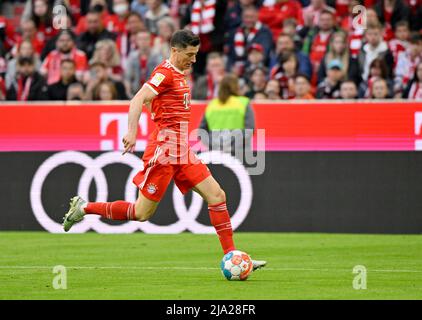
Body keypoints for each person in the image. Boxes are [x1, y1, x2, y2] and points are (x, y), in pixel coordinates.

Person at [62, 29, 267, 271]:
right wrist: (132, 131)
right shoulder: (164, 73)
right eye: (189, 54)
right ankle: (85, 208)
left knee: (217, 196)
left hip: (181, 148)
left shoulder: (181, 74)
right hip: (164, 149)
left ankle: (234, 256)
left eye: (196, 54)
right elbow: (138, 99)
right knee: (140, 213)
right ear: (175, 50)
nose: (193, 59)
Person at [199, 73, 255, 155]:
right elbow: (250, 129)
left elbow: (201, 132)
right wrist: (231, 146)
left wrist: (214, 145)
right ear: (236, 86)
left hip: (215, 152)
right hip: (239, 152)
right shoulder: (244, 102)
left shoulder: (212, 104)